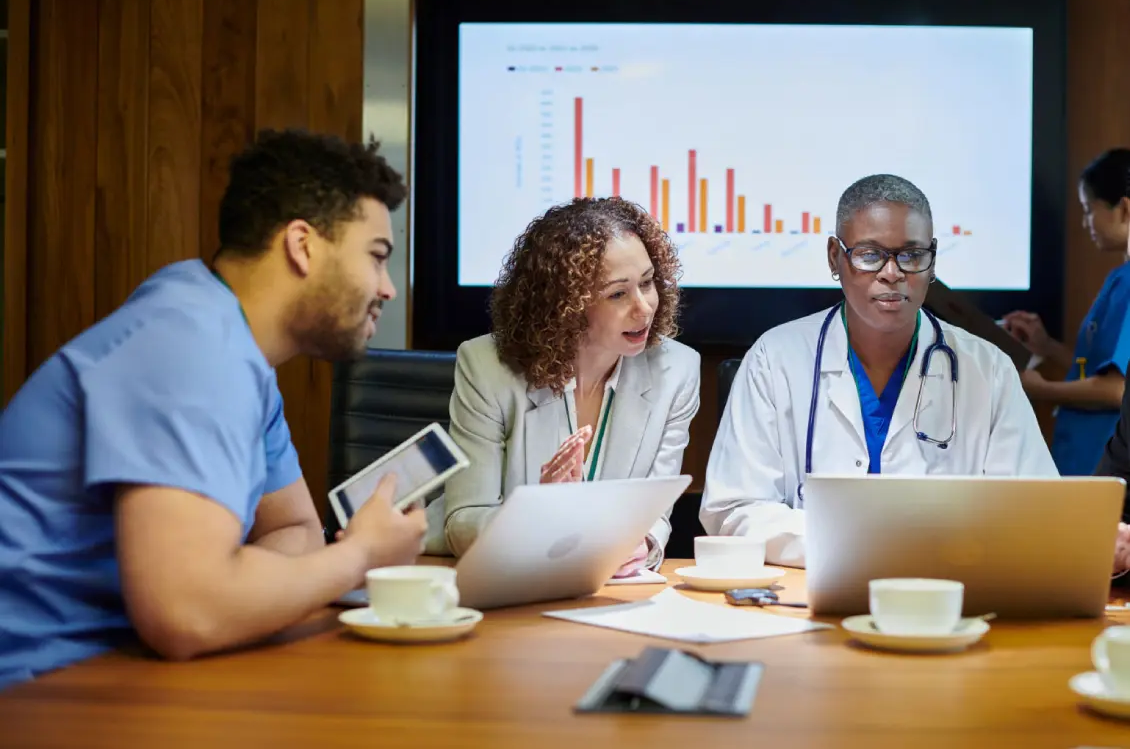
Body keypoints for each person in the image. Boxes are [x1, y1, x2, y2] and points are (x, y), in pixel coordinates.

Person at [0, 129, 427, 690]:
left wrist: (238, 585)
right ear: (302, 245)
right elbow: (186, 613)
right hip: (29, 684)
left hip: (100, 666)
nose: (388, 288)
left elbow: (294, 527)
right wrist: (360, 557)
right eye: (376, 258)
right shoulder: (193, 344)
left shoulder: (233, 345)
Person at [699, 173, 1058, 568]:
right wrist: (857, 543)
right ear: (835, 257)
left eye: (912, 255)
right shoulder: (775, 359)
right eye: (869, 255)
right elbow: (732, 509)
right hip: (805, 596)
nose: (893, 273)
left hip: (944, 594)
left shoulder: (988, 370)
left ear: (932, 259)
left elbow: (1034, 511)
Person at [429, 197, 701, 576]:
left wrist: (643, 544)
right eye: (617, 294)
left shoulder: (677, 369)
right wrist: (536, 515)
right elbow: (462, 522)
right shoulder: (487, 368)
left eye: (647, 282)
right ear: (566, 305)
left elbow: (655, 513)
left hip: (604, 594)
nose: (644, 307)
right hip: (498, 581)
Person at [1004, 148, 1130, 476]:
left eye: (1089, 210)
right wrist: (1048, 348)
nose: (1085, 222)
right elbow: (1104, 369)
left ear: (1124, 210)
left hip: (1102, 461)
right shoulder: (1119, 278)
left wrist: (1038, 388)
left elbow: (1118, 390)